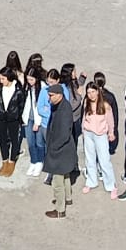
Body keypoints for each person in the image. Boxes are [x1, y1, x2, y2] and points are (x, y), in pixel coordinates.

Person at [42, 79, 79, 219]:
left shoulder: (63, 110)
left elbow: (63, 134)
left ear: (59, 95)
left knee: (57, 181)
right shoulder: (62, 105)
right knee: (65, 176)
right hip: (64, 150)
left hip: (60, 150)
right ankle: (67, 198)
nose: (49, 98)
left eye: (51, 95)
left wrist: (54, 147)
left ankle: (59, 209)